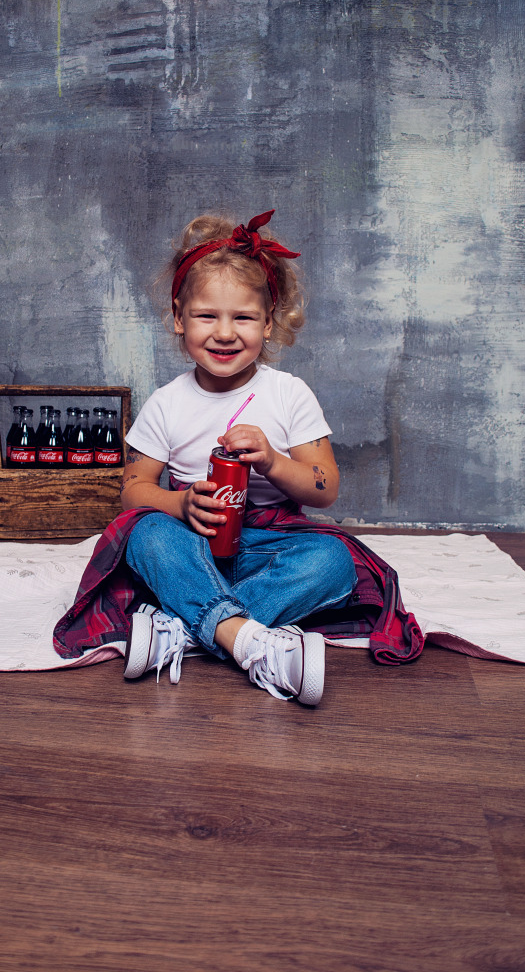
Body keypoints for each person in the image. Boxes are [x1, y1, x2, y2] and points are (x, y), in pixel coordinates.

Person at [118, 209, 357, 706]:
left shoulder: (289, 395)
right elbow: (132, 491)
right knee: (145, 534)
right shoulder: (167, 402)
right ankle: (251, 642)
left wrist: (271, 460)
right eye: (207, 315)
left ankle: (189, 629)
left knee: (334, 560)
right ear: (179, 319)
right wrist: (181, 505)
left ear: (268, 324)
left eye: (243, 318)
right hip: (194, 545)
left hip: (268, 546)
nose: (224, 333)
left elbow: (325, 487)